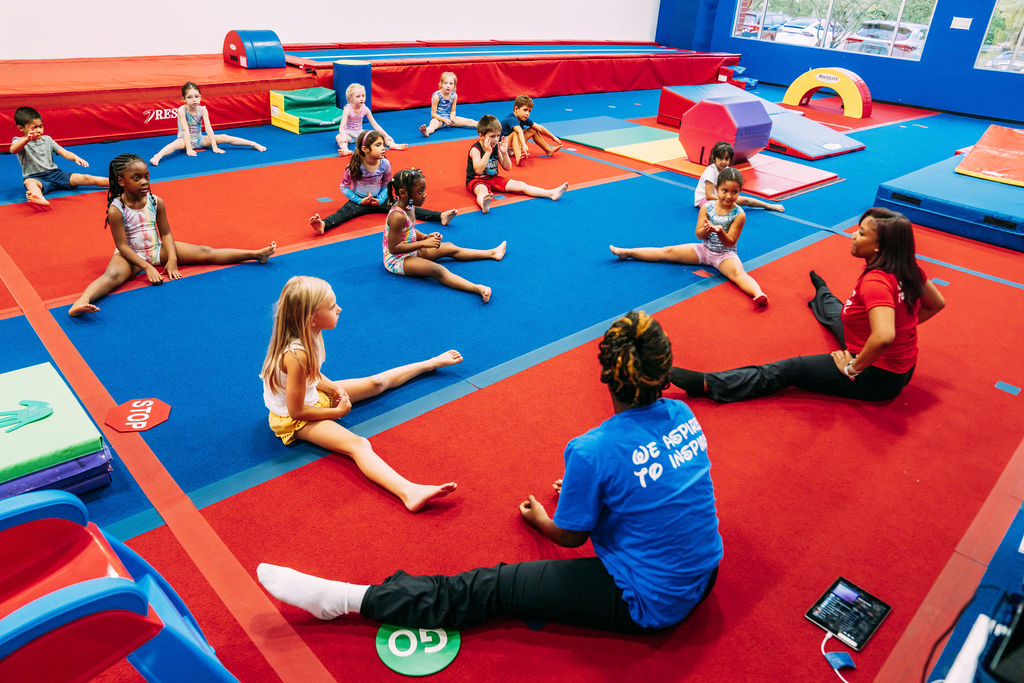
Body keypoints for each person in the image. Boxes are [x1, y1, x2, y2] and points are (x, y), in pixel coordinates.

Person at [258, 310, 723, 634]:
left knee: (490, 587)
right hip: (704, 577)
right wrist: (596, 492)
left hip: (650, 599)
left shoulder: (591, 450)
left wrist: (542, 520)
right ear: (664, 372)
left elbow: (570, 538)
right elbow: (661, 485)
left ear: (606, 374)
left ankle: (345, 600)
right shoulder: (683, 416)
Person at [669, 207, 947, 403]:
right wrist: (901, 330)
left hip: (877, 377)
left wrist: (853, 368)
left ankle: (708, 384)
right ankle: (822, 293)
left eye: (862, 234)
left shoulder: (876, 282)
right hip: (901, 367)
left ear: (880, 247)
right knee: (840, 313)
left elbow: (883, 336)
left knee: (790, 369)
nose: (853, 235)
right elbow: (936, 304)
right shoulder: (910, 268)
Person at [259, 275, 459, 512]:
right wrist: (336, 412)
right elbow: (296, 410)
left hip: (310, 394)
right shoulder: (296, 354)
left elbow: (313, 374)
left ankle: (429, 363)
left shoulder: (311, 333)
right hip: (294, 417)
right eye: (332, 307)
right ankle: (409, 492)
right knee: (358, 445)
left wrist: (334, 388)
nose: (339, 309)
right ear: (311, 318)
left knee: (377, 382)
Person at [68, 154, 275, 316]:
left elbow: (166, 233)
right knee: (112, 276)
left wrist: (172, 259)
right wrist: (147, 267)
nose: (144, 182)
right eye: (136, 178)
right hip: (130, 255)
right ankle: (81, 301)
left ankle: (256, 254)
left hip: (157, 248)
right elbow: (122, 246)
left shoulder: (155, 201)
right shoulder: (116, 209)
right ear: (121, 181)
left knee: (205, 251)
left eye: (146, 176)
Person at [611, 167, 769, 307]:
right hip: (704, 250)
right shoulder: (707, 207)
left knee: (738, 274)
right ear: (716, 189)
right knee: (667, 251)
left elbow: (731, 242)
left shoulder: (739, 214)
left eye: (734, 192)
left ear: (740, 191)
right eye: (724, 190)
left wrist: (720, 232)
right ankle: (628, 252)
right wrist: (707, 230)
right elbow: (698, 234)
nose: (729, 196)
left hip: (725, 256)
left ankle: (758, 293)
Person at [385, 168, 506, 303]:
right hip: (398, 259)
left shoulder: (409, 206)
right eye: (420, 191)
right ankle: (477, 288)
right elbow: (394, 248)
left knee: (449, 247)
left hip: (411, 249)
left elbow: (409, 229)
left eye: (424, 190)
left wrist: (425, 236)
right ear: (403, 193)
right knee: (437, 270)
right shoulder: (397, 216)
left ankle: (492, 253)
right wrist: (423, 243)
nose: (424, 195)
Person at [310, 131, 456, 235]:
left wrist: (380, 200)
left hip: (381, 199)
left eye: (383, 145)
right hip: (359, 200)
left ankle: (440, 216)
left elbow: (387, 184)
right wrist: (360, 200)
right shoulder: (354, 165)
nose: (383, 148)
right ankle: (323, 225)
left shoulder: (385, 164)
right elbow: (344, 187)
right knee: (343, 213)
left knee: (407, 206)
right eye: (378, 145)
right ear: (365, 149)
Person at [467, 115, 567, 214]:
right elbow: (478, 170)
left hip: (493, 178)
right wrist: (488, 152)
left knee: (520, 185)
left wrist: (504, 153)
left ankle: (550, 193)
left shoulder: (496, 147)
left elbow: (507, 167)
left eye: (498, 135)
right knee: (482, 191)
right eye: (492, 136)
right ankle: (484, 204)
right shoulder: (476, 149)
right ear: (481, 135)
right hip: (477, 180)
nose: (496, 139)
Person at [149, 82, 266, 166]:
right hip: (184, 140)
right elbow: (185, 130)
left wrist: (214, 146)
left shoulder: (203, 109)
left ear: (200, 97)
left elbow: (208, 128)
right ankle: (157, 156)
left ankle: (253, 143)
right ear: (184, 99)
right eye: (189, 97)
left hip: (199, 139)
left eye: (196, 96)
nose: (194, 100)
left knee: (224, 137)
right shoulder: (181, 110)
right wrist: (189, 149)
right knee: (175, 144)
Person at [11, 106, 108, 206]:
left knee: (86, 178)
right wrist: (27, 139)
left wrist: (75, 157)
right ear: (21, 128)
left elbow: (64, 152)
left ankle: (113, 183)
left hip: (56, 174)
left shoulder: (47, 139)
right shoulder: (19, 141)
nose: (39, 130)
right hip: (36, 178)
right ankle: (38, 197)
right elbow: (13, 150)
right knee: (29, 183)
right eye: (34, 128)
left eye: (40, 126)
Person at [694, 142, 784, 213]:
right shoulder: (710, 171)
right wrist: (726, 199)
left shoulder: (727, 170)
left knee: (745, 200)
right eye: (720, 158)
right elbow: (709, 196)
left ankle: (769, 206)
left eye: (726, 159)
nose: (723, 162)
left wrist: (730, 197)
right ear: (714, 158)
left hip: (721, 197)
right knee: (726, 209)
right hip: (704, 200)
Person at [336, 83, 407, 156]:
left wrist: (386, 135)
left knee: (378, 135)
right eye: (358, 96)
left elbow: (375, 125)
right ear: (351, 98)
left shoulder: (365, 109)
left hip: (360, 133)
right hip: (348, 134)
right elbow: (341, 127)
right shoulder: (347, 109)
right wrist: (343, 136)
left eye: (363, 96)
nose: (361, 98)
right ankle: (345, 149)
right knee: (339, 137)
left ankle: (391, 144)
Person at [500, 95, 561, 165]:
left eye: (529, 111)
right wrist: (523, 145)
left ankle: (549, 150)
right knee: (515, 133)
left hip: (513, 146)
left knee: (533, 130)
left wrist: (553, 137)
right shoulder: (511, 119)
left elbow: (539, 128)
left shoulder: (523, 118)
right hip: (503, 148)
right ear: (516, 109)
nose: (527, 113)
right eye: (525, 110)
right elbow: (519, 131)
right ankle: (518, 157)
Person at [418, 72, 477, 137]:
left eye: (451, 83)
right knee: (433, 125)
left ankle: (480, 125)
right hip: (438, 119)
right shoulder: (436, 96)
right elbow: (433, 114)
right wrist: (444, 120)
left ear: (454, 86)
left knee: (470, 121)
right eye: (445, 83)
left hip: (449, 118)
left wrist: (452, 118)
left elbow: (453, 110)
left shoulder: (454, 95)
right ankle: (426, 131)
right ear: (441, 84)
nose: (448, 86)